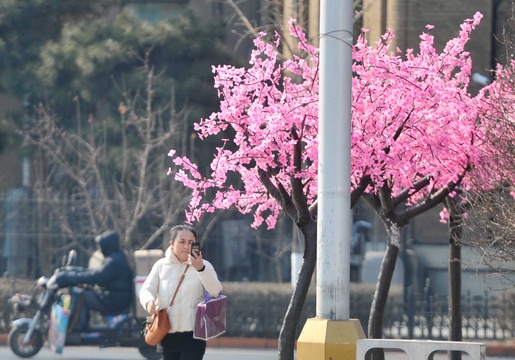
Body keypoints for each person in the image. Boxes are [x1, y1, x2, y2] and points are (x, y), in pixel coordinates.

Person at [139, 224, 222, 360]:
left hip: (194, 337)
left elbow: (215, 291)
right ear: (172, 244)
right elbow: (147, 289)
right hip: (166, 333)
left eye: (190, 242)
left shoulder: (204, 266)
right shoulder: (161, 266)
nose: (186, 246)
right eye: (182, 242)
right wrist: (149, 303)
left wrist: (200, 269)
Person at [48, 230, 134, 331]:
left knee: (81, 294)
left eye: (102, 246)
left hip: (113, 300)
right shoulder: (117, 257)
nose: (100, 249)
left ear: (108, 245)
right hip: (113, 296)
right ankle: (81, 325)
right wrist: (73, 270)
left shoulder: (113, 261)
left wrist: (68, 278)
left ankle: (75, 330)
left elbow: (97, 277)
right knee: (84, 290)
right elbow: (95, 273)